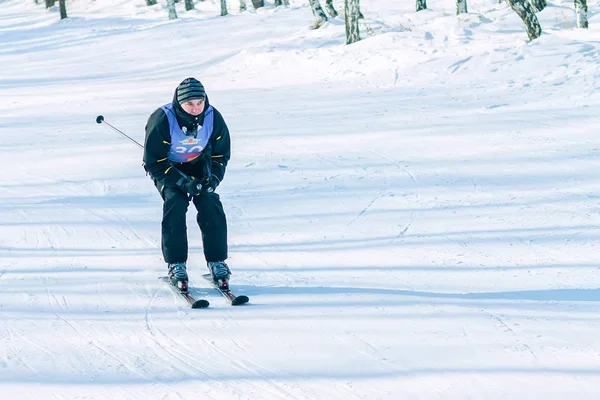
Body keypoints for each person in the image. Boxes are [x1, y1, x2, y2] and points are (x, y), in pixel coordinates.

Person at [143, 77, 231, 290]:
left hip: (199, 166)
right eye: (189, 104)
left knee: (210, 202)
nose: (195, 108)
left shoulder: (213, 117)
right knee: (176, 203)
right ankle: (176, 264)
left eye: (199, 103)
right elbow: (154, 162)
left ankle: (217, 262)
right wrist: (182, 182)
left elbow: (221, 154)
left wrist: (214, 177)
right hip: (168, 169)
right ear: (179, 103)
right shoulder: (162, 118)